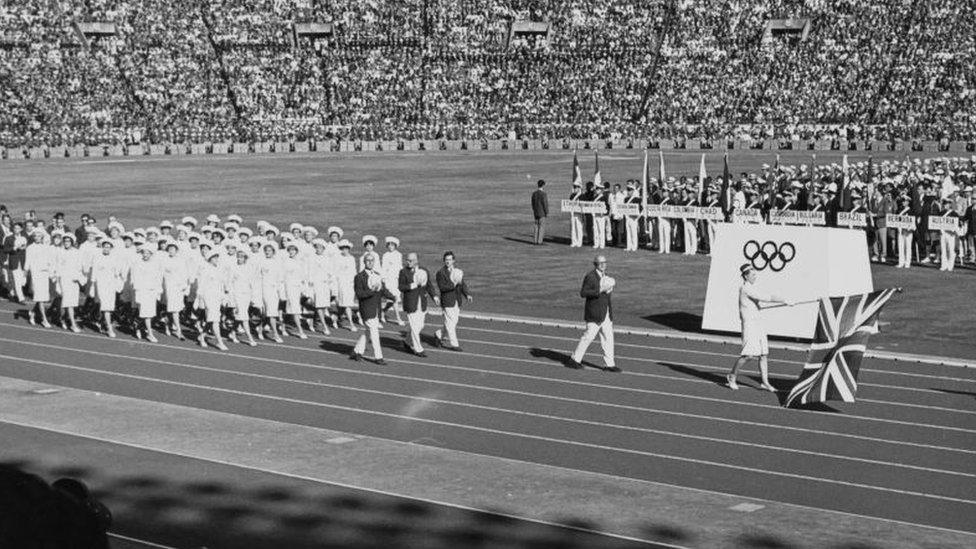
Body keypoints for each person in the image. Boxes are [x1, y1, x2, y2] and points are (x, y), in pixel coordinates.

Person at [726, 264, 792, 392]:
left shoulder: (752, 287)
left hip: (758, 323)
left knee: (763, 354)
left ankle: (765, 382)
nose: (755, 276)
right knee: (748, 355)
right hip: (749, 325)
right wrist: (785, 300)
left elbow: (757, 301)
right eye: (752, 274)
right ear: (746, 276)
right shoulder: (745, 289)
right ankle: (732, 376)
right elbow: (767, 298)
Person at [568, 255, 619, 372]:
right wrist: (599, 291)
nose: (603, 265)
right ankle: (575, 359)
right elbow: (583, 293)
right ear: (595, 264)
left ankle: (609, 364)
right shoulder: (590, 276)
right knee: (588, 337)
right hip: (595, 313)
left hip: (605, 313)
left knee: (608, 338)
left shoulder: (605, 276)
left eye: (604, 262)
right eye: (600, 263)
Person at [350, 254, 395, 364]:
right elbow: (359, 294)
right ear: (364, 262)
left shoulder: (377, 275)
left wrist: (392, 296)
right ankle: (378, 357)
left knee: (368, 332)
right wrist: (372, 291)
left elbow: (383, 290)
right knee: (374, 333)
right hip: (366, 309)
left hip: (376, 309)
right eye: (368, 260)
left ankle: (357, 351)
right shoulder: (359, 277)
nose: (370, 262)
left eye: (372, 260)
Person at [398, 252, 439, 357]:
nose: (408, 262)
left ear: (416, 261)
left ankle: (407, 342)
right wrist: (412, 285)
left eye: (410, 260)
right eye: (407, 260)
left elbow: (429, 285)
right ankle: (418, 349)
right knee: (415, 328)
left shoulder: (424, 270)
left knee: (420, 326)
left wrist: (434, 296)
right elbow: (401, 287)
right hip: (410, 303)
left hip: (422, 302)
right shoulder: (403, 272)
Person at [434, 251, 472, 351]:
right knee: (450, 323)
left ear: (453, 260)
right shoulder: (440, 273)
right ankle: (454, 344)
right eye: (446, 260)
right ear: (444, 261)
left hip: (457, 301)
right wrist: (453, 284)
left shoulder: (457, 272)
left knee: (453, 322)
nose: (448, 262)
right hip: (447, 301)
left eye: (450, 260)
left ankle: (438, 334)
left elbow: (462, 284)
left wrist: (467, 294)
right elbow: (442, 287)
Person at [90, 240, 123, 338]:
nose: (106, 248)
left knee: (109, 307)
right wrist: (92, 285)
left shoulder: (114, 258)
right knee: (106, 307)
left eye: (108, 247)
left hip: (111, 285)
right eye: (105, 246)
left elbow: (117, 272)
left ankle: (100, 322)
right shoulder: (97, 258)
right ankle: (109, 328)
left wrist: (117, 284)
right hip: (101, 285)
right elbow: (94, 273)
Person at [130, 246, 162, 342]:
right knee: (146, 314)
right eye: (144, 253)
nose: (145, 255)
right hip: (142, 291)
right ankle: (150, 334)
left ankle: (138, 327)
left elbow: (157, 278)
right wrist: (138, 291)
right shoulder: (137, 264)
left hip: (151, 292)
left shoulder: (155, 265)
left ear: (151, 255)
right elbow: (134, 278)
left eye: (148, 253)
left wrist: (157, 291)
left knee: (149, 314)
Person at [24, 229, 54, 327]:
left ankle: (32, 313)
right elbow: (27, 262)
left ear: (42, 237)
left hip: (44, 275)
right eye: (35, 236)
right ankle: (44, 319)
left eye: (39, 236)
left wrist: (51, 273)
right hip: (36, 275)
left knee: (42, 297)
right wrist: (25, 274)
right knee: (40, 298)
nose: (37, 237)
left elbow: (49, 261)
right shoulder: (30, 248)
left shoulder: (46, 248)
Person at [55, 233, 83, 332]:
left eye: (68, 241)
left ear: (72, 242)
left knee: (72, 302)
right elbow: (58, 268)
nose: (66, 243)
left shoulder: (77, 252)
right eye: (65, 241)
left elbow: (79, 267)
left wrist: (79, 278)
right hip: (64, 280)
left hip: (74, 281)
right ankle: (73, 324)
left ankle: (63, 319)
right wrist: (58, 283)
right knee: (68, 302)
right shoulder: (60, 252)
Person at [334, 239, 359, 331]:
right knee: (346, 305)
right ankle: (352, 324)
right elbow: (335, 273)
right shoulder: (338, 259)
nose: (344, 250)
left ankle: (335, 318)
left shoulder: (352, 259)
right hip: (341, 284)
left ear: (348, 249)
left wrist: (355, 283)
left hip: (350, 284)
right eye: (342, 248)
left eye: (346, 248)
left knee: (343, 305)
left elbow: (354, 272)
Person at [380, 236, 405, 326]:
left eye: (392, 245)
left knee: (393, 300)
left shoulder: (399, 255)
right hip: (388, 280)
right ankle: (398, 319)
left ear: (395, 246)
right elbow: (383, 267)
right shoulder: (385, 255)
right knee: (394, 299)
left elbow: (399, 267)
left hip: (396, 280)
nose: (390, 246)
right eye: (389, 245)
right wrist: (383, 278)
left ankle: (382, 312)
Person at [531, 179, 548, 245]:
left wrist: (534, 210)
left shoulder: (534, 193)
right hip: (542, 213)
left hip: (536, 212)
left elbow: (532, 203)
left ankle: (535, 241)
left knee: (536, 226)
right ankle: (539, 241)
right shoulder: (543, 194)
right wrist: (546, 212)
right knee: (541, 227)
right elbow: (545, 204)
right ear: (543, 185)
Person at [568, 182, 584, 247]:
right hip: (573, 213)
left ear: (579, 188)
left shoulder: (582, 195)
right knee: (573, 228)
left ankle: (579, 242)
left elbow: (583, 204)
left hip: (579, 213)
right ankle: (574, 241)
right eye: (574, 187)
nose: (575, 189)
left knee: (579, 228)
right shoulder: (572, 195)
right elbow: (569, 203)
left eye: (576, 188)